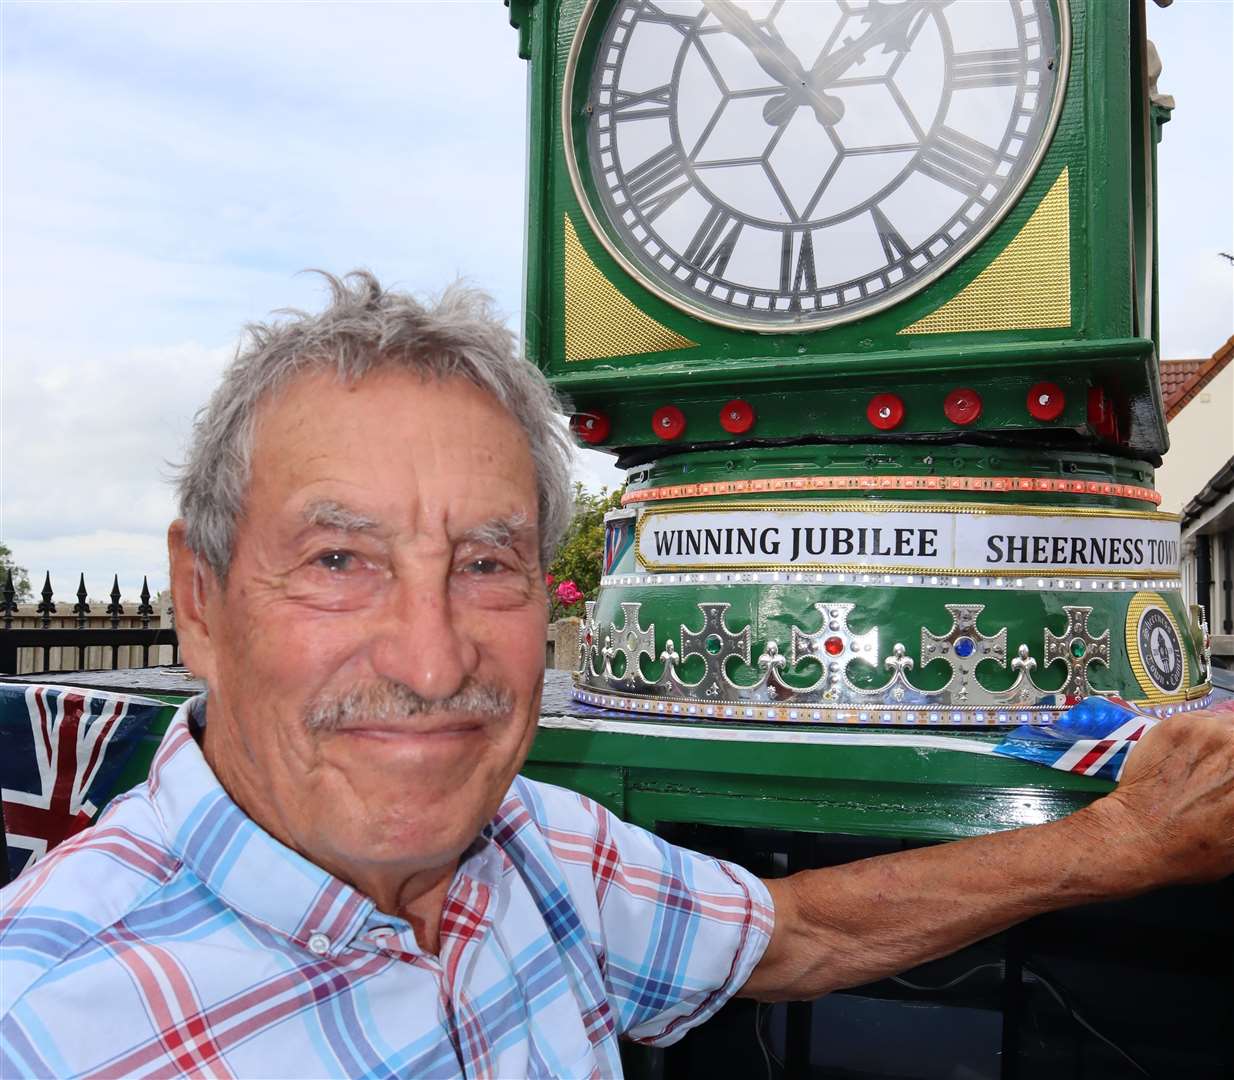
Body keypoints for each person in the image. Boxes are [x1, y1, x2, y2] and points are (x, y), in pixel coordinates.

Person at [1, 272, 1231, 1078]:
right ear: (201, 602)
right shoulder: (51, 1023)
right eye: (339, 559)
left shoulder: (537, 846)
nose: (432, 662)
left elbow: (788, 934)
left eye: (487, 563)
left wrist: (1120, 840)